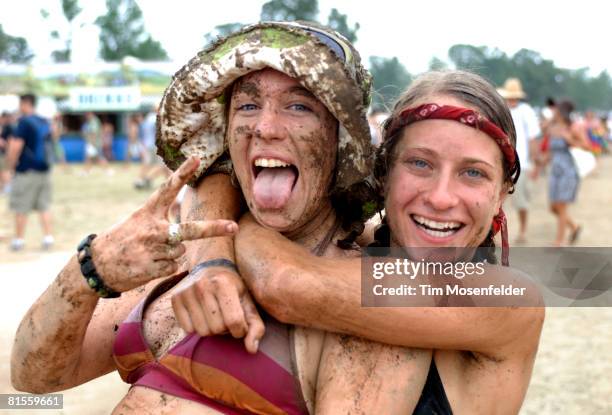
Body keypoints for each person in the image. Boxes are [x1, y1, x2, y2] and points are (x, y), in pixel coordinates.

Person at [12, 22, 428, 414]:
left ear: (342, 142)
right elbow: (35, 378)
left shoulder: (364, 303)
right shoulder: (184, 255)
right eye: (247, 105)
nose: (264, 127)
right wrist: (90, 269)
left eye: (299, 106)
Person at [185, 70, 544, 414]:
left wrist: (221, 246)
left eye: (473, 173)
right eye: (420, 163)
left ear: (501, 195)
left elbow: (284, 282)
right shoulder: (352, 242)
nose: (441, 197)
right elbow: (216, 174)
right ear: (383, 174)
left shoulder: (509, 302)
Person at [4, 94, 54, 251]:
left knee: (21, 207)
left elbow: (16, 146)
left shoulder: (24, 122)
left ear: (26, 103)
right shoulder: (44, 121)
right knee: (44, 207)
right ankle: (48, 237)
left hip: (27, 171)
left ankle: (18, 240)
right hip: (44, 171)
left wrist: (11, 166)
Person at [498, 78, 540, 244]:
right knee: (497, 200)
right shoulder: (502, 111)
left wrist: (535, 163)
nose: (511, 99)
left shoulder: (526, 111)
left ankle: (523, 230)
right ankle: (493, 233)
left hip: (521, 163)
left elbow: (532, 139)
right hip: (503, 163)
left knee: (521, 201)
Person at [545, 100, 590, 246]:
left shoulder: (573, 128)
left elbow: (587, 146)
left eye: (556, 110)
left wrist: (570, 139)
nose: (554, 112)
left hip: (568, 171)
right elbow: (542, 129)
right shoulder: (553, 127)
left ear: (562, 112)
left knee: (561, 206)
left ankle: (559, 241)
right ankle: (575, 227)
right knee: (553, 207)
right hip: (554, 171)